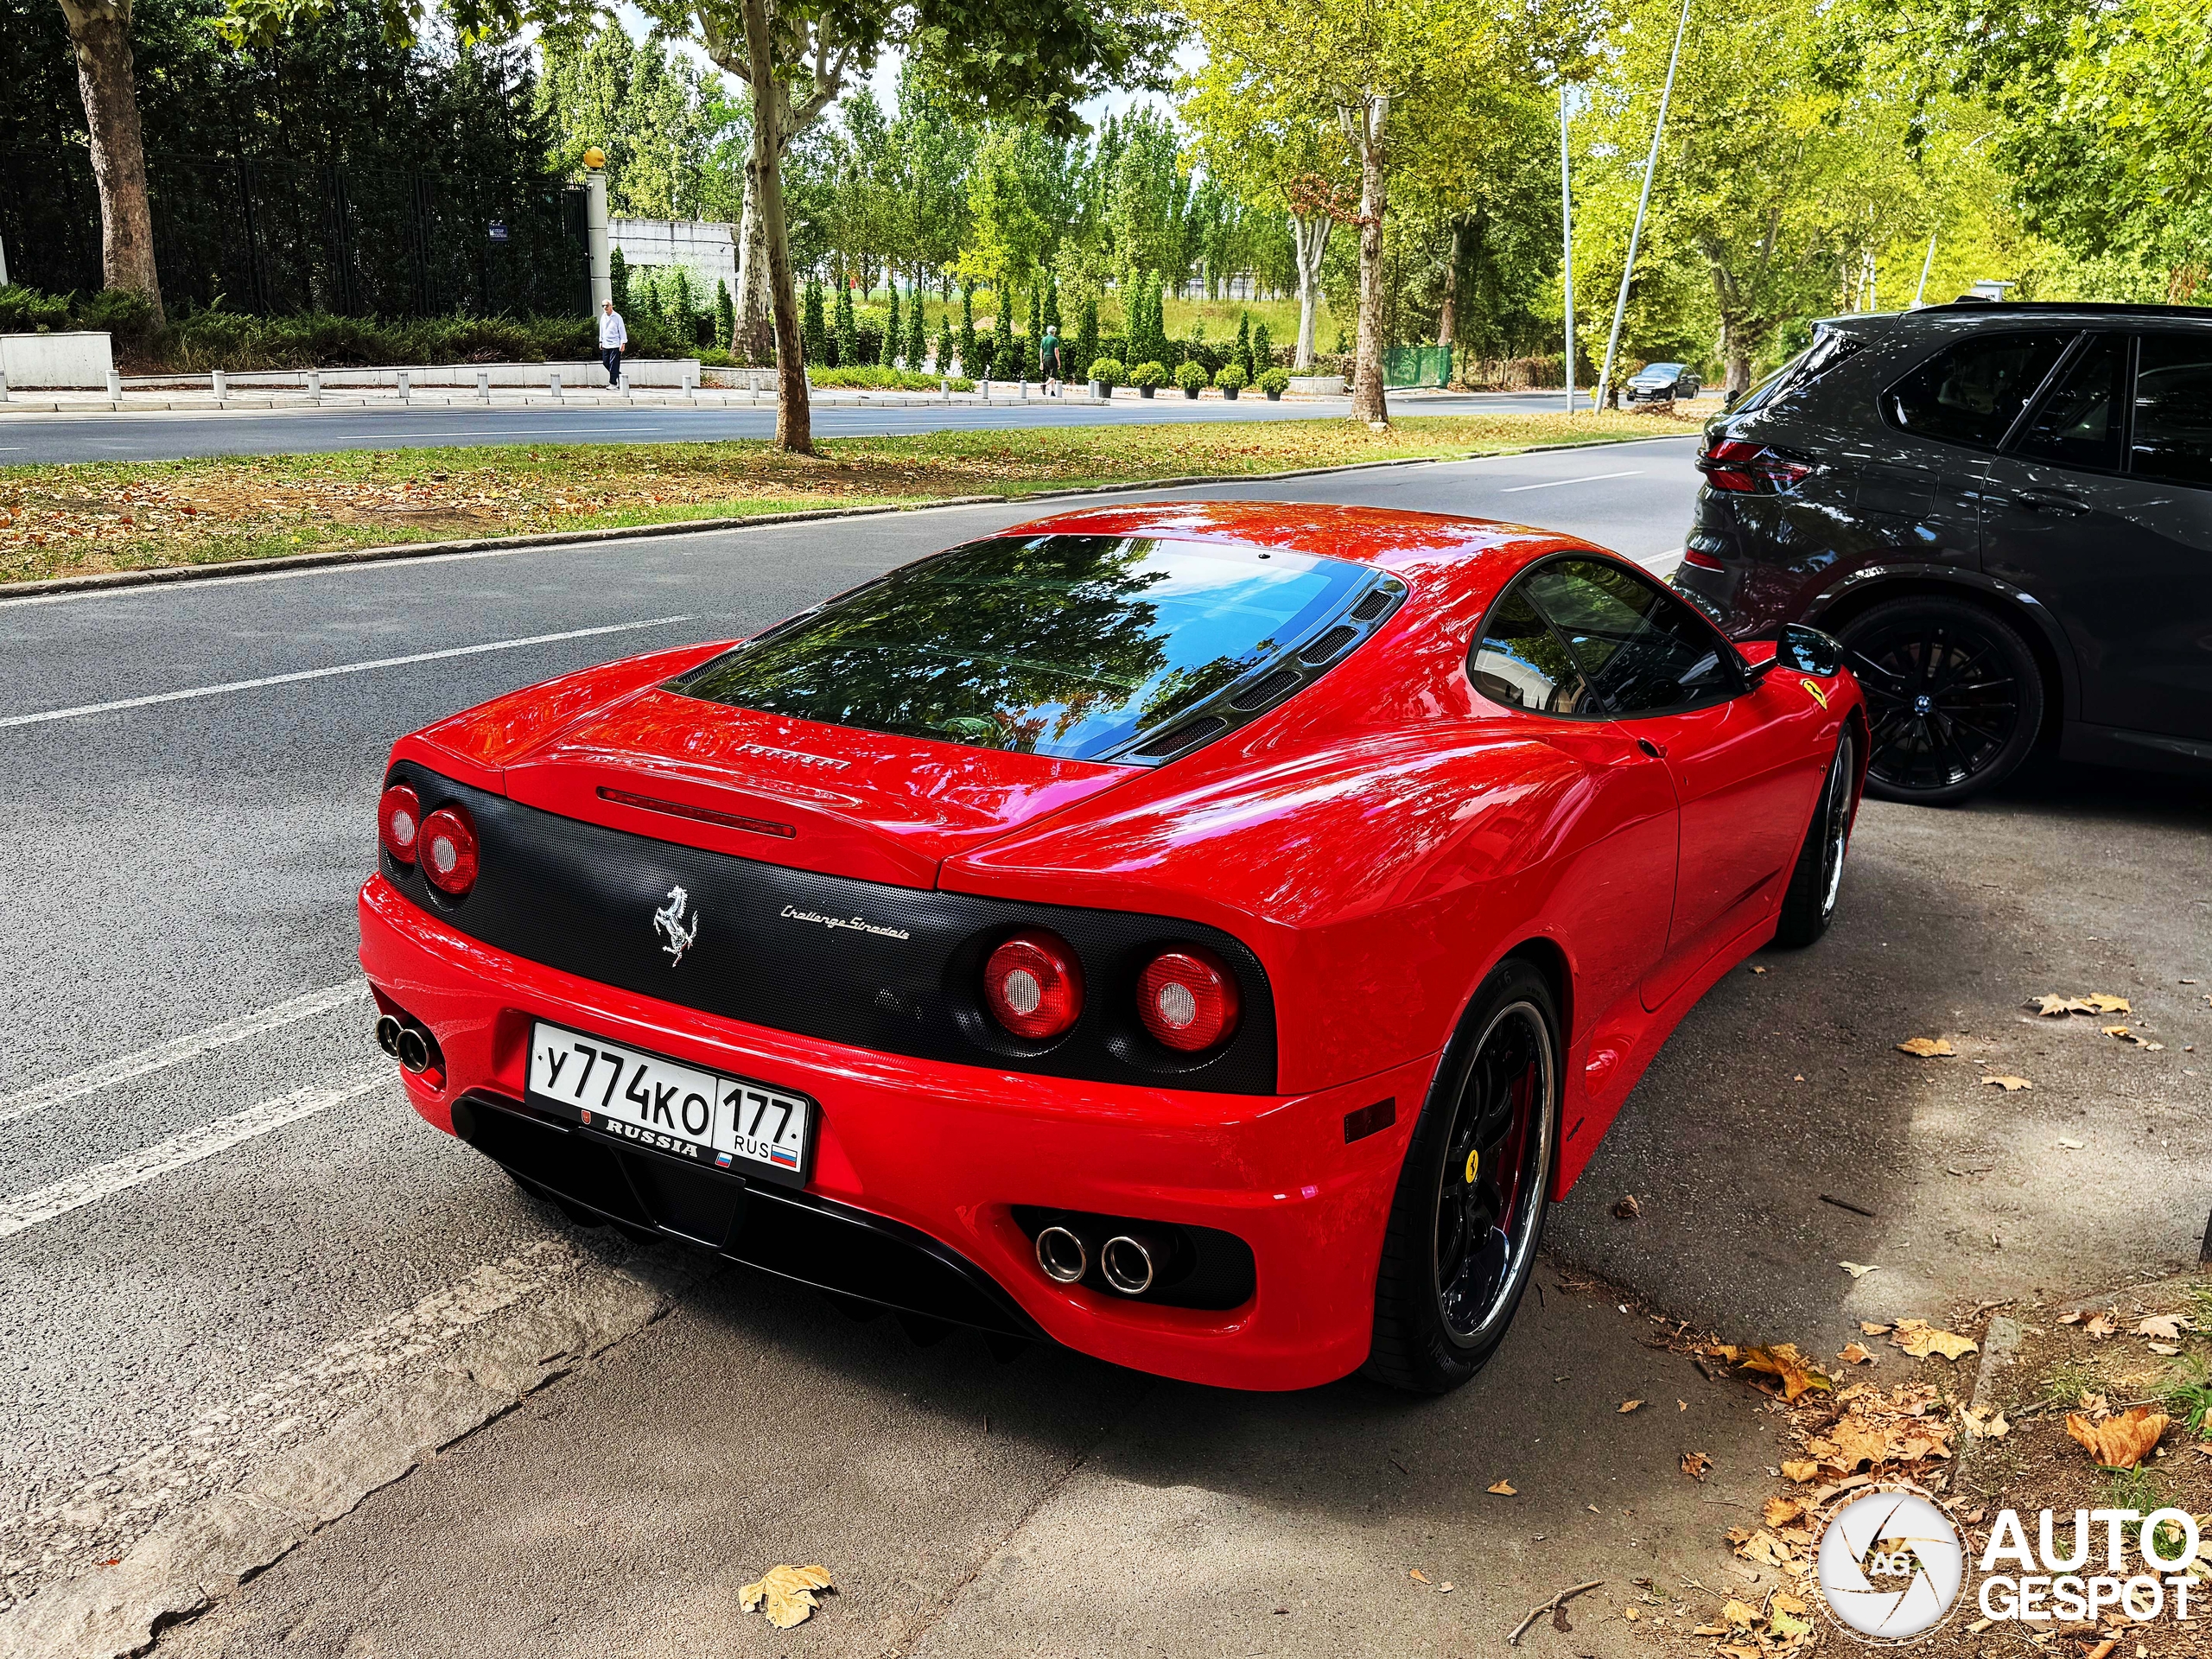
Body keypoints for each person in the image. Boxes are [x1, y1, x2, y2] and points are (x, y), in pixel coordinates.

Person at [598, 299, 627, 389]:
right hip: (606, 343)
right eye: (603, 306)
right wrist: (601, 341)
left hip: (615, 344)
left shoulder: (617, 317)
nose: (605, 307)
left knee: (614, 364)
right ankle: (619, 377)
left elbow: (622, 330)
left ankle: (613, 383)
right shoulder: (603, 316)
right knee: (606, 362)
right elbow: (601, 329)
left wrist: (623, 343)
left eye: (607, 305)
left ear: (611, 306)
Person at [1040, 325, 1061, 397]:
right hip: (1052, 358)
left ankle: (1052, 391)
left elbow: (1041, 351)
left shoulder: (1043, 339)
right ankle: (1044, 385)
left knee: (1050, 376)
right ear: (1054, 332)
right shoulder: (1055, 340)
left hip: (1045, 358)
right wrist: (1058, 361)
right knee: (1053, 376)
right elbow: (1056, 351)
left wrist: (1041, 362)